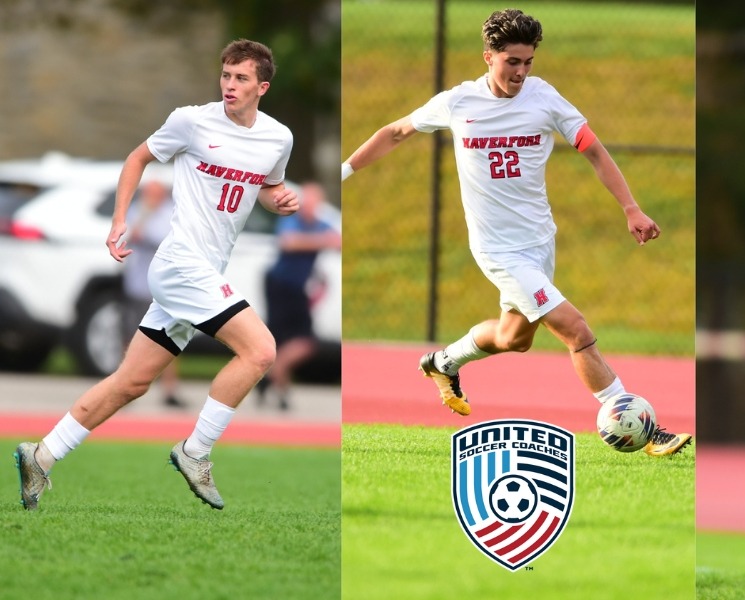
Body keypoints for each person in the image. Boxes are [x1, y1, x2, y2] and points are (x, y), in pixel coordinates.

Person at [341, 8, 691, 457]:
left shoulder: (544, 99)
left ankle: (441, 362)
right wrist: (345, 171)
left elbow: (596, 152)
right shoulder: (458, 102)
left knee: (514, 339)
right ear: (488, 57)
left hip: (540, 242)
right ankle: (642, 427)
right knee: (575, 329)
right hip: (497, 250)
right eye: (512, 63)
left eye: (528, 63)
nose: (521, 73)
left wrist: (631, 208)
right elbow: (395, 132)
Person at [15, 39, 297, 511]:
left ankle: (41, 455)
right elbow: (137, 158)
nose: (229, 85)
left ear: (261, 87)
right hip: (180, 264)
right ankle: (195, 452)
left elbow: (268, 188)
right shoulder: (190, 120)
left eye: (241, 78)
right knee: (261, 350)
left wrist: (281, 201)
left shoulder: (278, 138)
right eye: (226, 75)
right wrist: (119, 219)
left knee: (131, 381)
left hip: (206, 269)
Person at [258, 181, 341, 410]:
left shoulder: (322, 224)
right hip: (280, 285)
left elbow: (338, 241)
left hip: (296, 289)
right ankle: (280, 390)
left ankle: (269, 377)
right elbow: (289, 242)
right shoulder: (292, 219)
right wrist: (322, 241)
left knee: (302, 342)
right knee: (284, 340)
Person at [122, 179, 185, 409]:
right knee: (130, 336)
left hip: (162, 287)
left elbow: (161, 240)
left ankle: (170, 390)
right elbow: (132, 234)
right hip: (138, 284)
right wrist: (145, 214)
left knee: (168, 337)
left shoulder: (171, 214)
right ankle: (123, 385)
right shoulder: (138, 210)